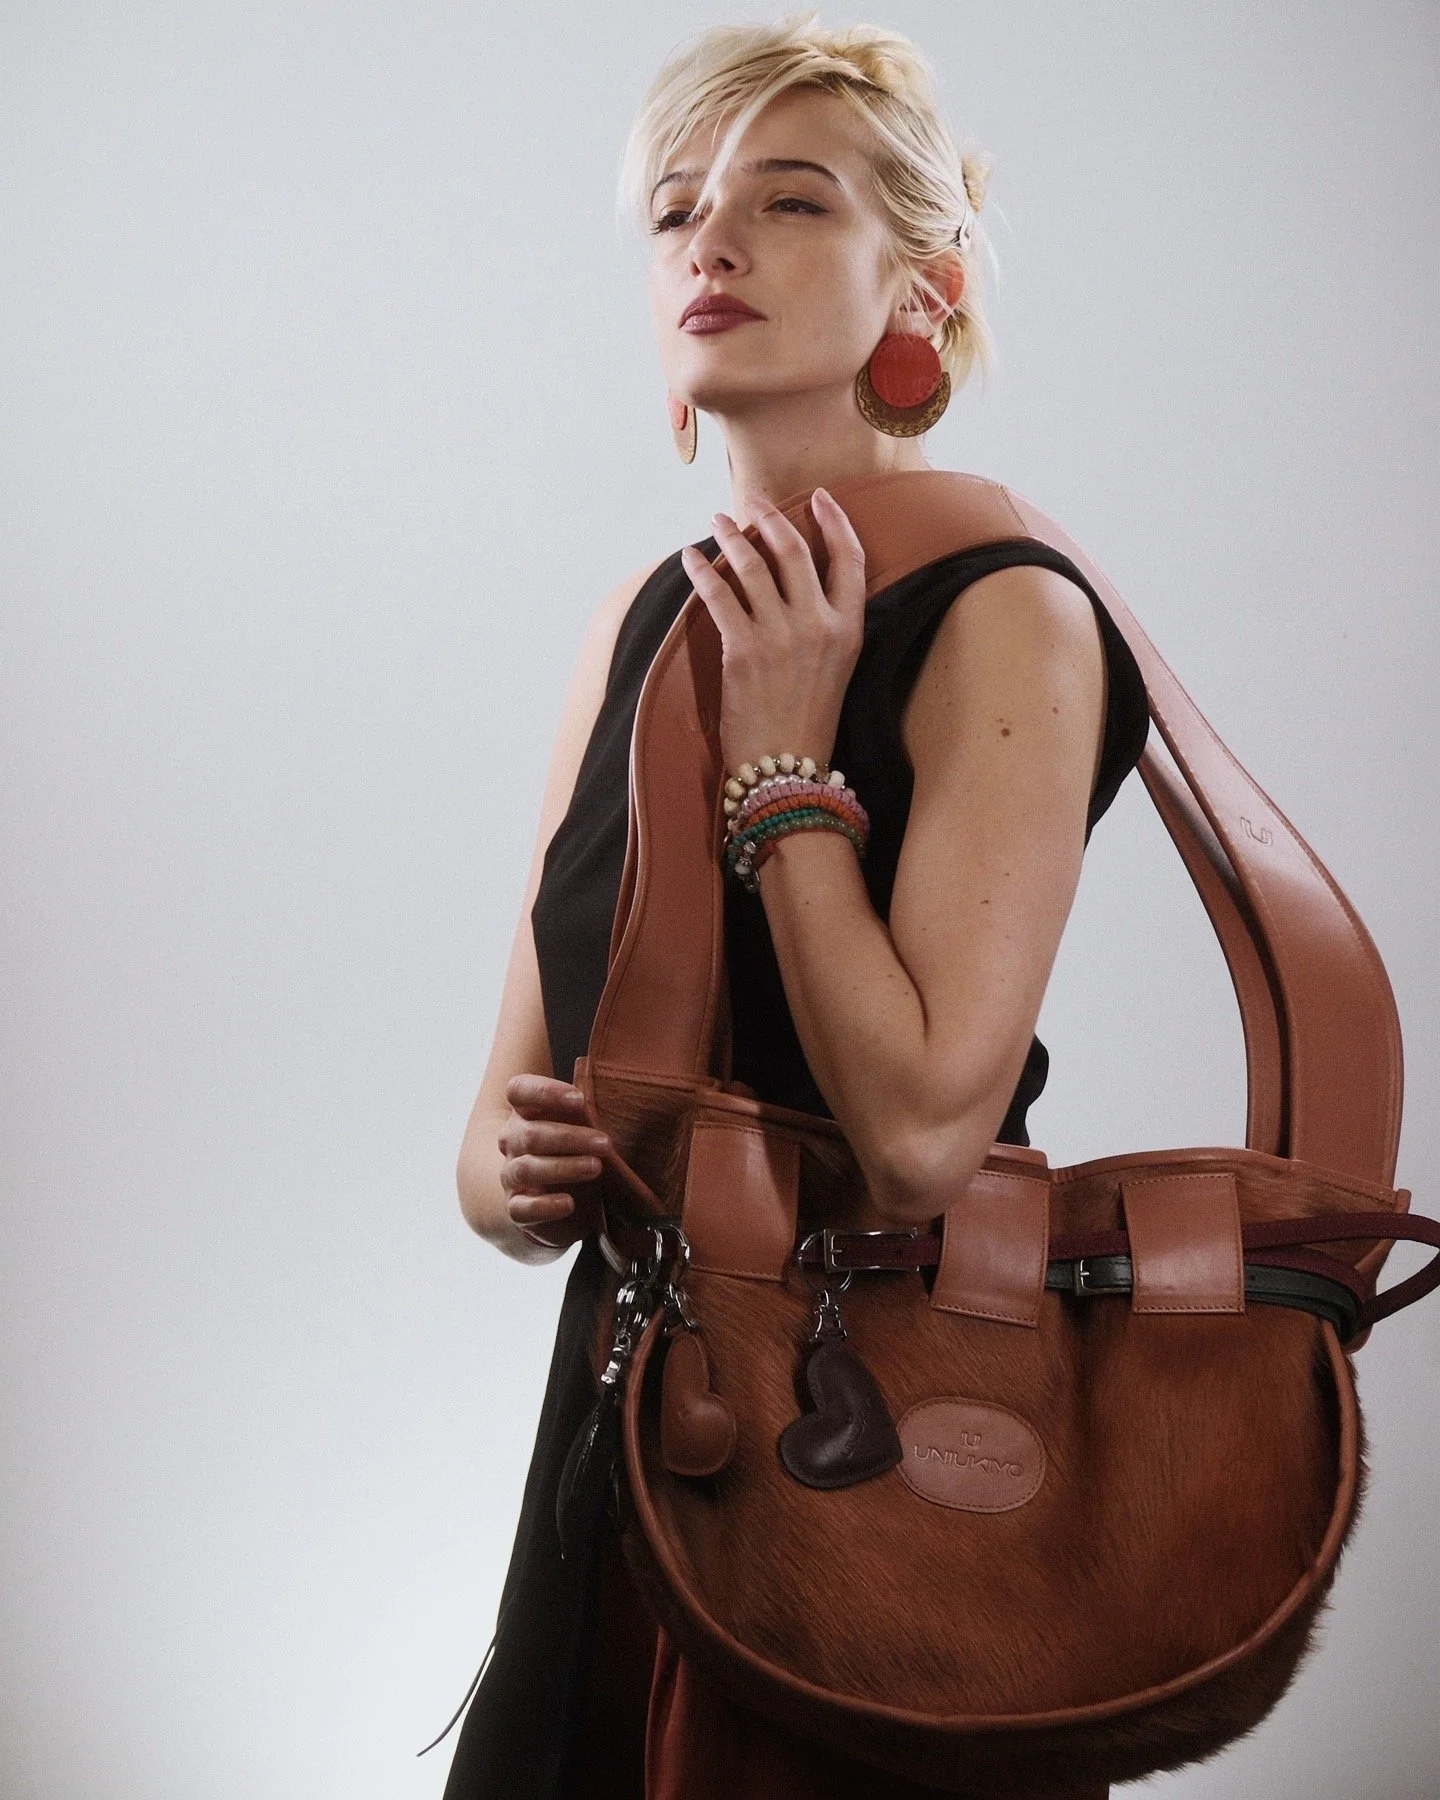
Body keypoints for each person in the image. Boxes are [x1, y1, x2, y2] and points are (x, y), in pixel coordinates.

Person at [444, 18, 1147, 1800]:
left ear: (924, 284)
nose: (714, 242)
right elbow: (501, 1134)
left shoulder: (1010, 612)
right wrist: (522, 1175)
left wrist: (782, 766)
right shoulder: (638, 623)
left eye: (791, 200)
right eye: (678, 208)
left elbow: (917, 1140)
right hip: (629, 1422)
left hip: (877, 1422)